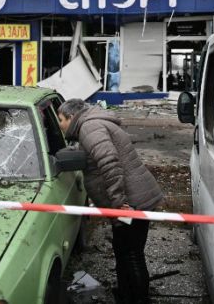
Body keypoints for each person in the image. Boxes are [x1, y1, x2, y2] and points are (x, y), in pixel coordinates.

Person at [58, 99, 164, 304]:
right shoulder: (91, 125)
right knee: (123, 250)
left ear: (72, 118)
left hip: (131, 202)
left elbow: (109, 162)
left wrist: (118, 204)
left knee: (131, 255)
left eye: (61, 119)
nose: (60, 124)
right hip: (133, 198)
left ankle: (139, 299)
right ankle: (126, 294)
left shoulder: (89, 128)